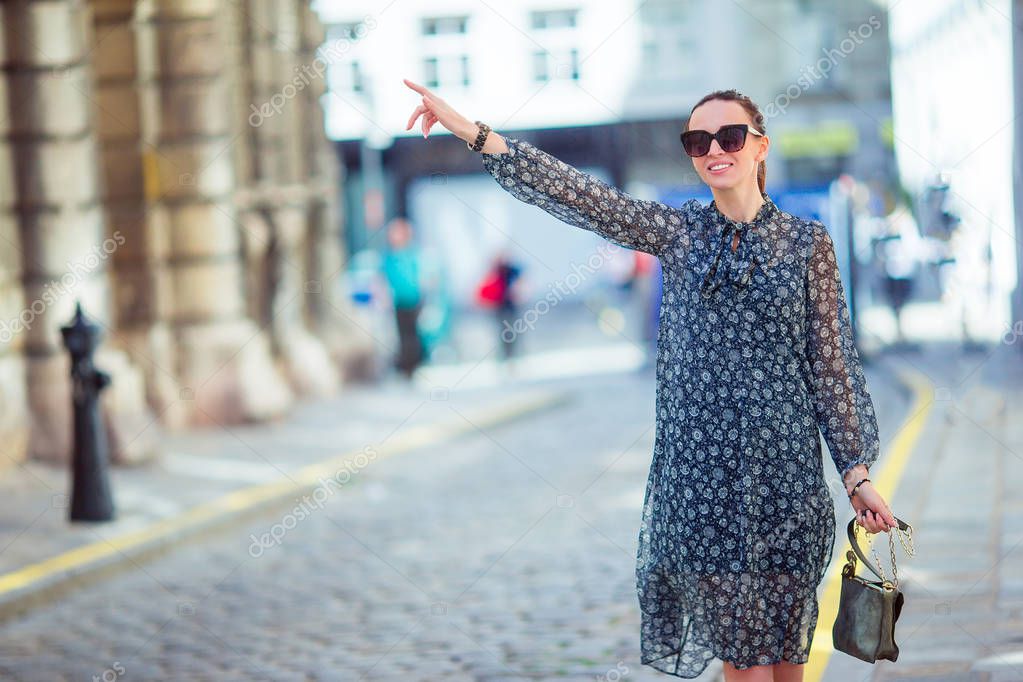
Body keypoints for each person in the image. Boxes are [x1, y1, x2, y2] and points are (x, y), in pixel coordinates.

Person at [403, 79, 898, 681]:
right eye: (698, 140)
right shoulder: (679, 234)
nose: (714, 148)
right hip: (702, 486)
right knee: (742, 660)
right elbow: (584, 197)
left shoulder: (807, 245)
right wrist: (478, 135)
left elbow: (833, 367)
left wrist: (857, 473)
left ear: (760, 147)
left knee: (787, 658)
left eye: (730, 135)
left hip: (786, 481)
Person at [380, 216, 424, 380]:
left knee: (413, 334)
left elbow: (420, 275)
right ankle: (405, 366)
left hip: (413, 299)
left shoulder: (411, 253)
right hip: (397, 301)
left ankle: (413, 365)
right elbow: (383, 277)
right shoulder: (389, 256)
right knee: (402, 334)